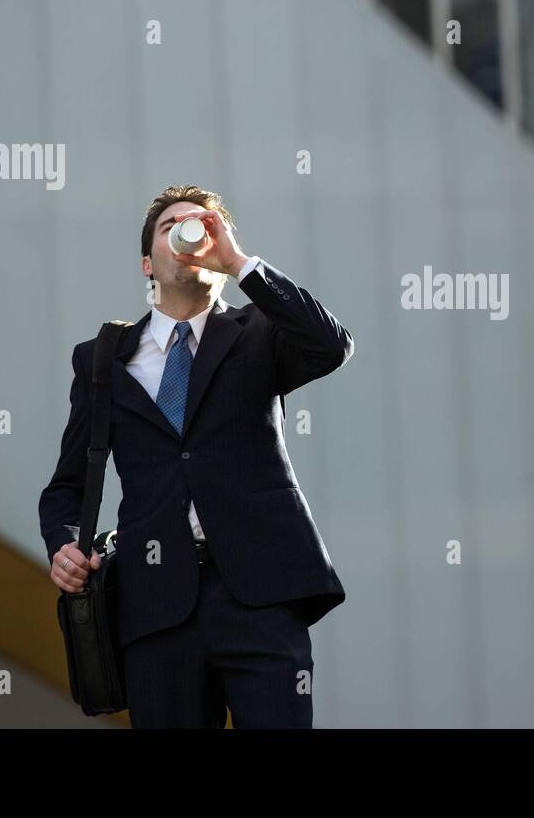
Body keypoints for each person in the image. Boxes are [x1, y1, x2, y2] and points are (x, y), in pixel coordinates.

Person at [38, 185, 353, 727]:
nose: (189, 231)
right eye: (171, 226)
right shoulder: (103, 360)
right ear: (147, 264)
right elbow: (64, 487)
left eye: (204, 224)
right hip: (155, 608)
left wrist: (238, 262)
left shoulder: (258, 332)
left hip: (262, 596)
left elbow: (330, 346)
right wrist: (63, 544)